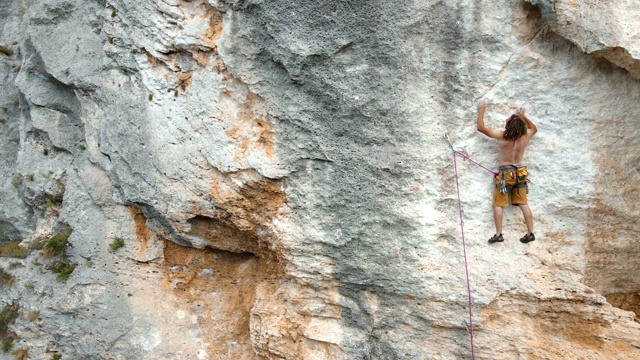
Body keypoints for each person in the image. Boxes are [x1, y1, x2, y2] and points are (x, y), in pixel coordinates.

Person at [476, 101, 537, 244]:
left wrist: (482, 109)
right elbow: (534, 129)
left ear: (508, 126)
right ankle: (530, 232)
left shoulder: (503, 136)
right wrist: (523, 116)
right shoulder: (525, 136)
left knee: (498, 204)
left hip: (505, 174)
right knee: (523, 203)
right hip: (520, 172)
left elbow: (480, 128)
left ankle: (498, 234)